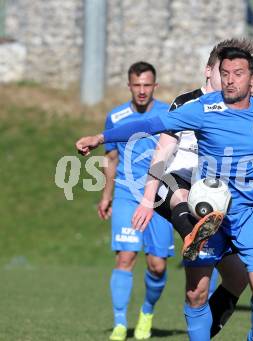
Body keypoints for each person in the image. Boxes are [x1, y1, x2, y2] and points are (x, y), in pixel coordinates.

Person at [76, 46, 253, 340]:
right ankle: (191, 232)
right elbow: (150, 126)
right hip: (209, 209)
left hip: (250, 210)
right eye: (224, 74)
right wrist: (101, 137)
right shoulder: (202, 109)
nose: (229, 80)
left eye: (237, 74)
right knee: (196, 292)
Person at [99, 61, 174, 341]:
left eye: (147, 85)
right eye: (136, 85)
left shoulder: (169, 114)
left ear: (155, 86)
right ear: (129, 85)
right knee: (126, 257)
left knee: (157, 265)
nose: (142, 91)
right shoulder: (116, 117)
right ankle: (119, 324)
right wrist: (106, 196)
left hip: (160, 198)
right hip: (127, 196)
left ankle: (147, 312)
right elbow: (111, 159)